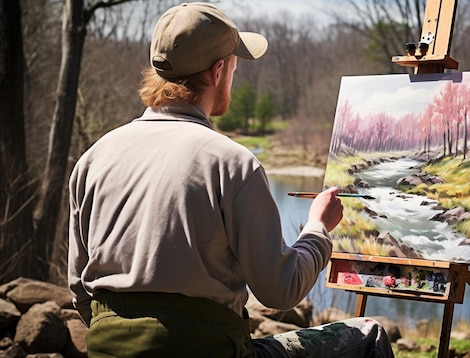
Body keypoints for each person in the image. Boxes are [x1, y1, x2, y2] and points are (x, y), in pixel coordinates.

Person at [67, 2, 394, 357]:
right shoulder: (233, 163)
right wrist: (317, 229)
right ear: (218, 71)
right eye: (235, 68)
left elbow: (80, 292)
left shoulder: (93, 159)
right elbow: (280, 291)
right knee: (367, 335)